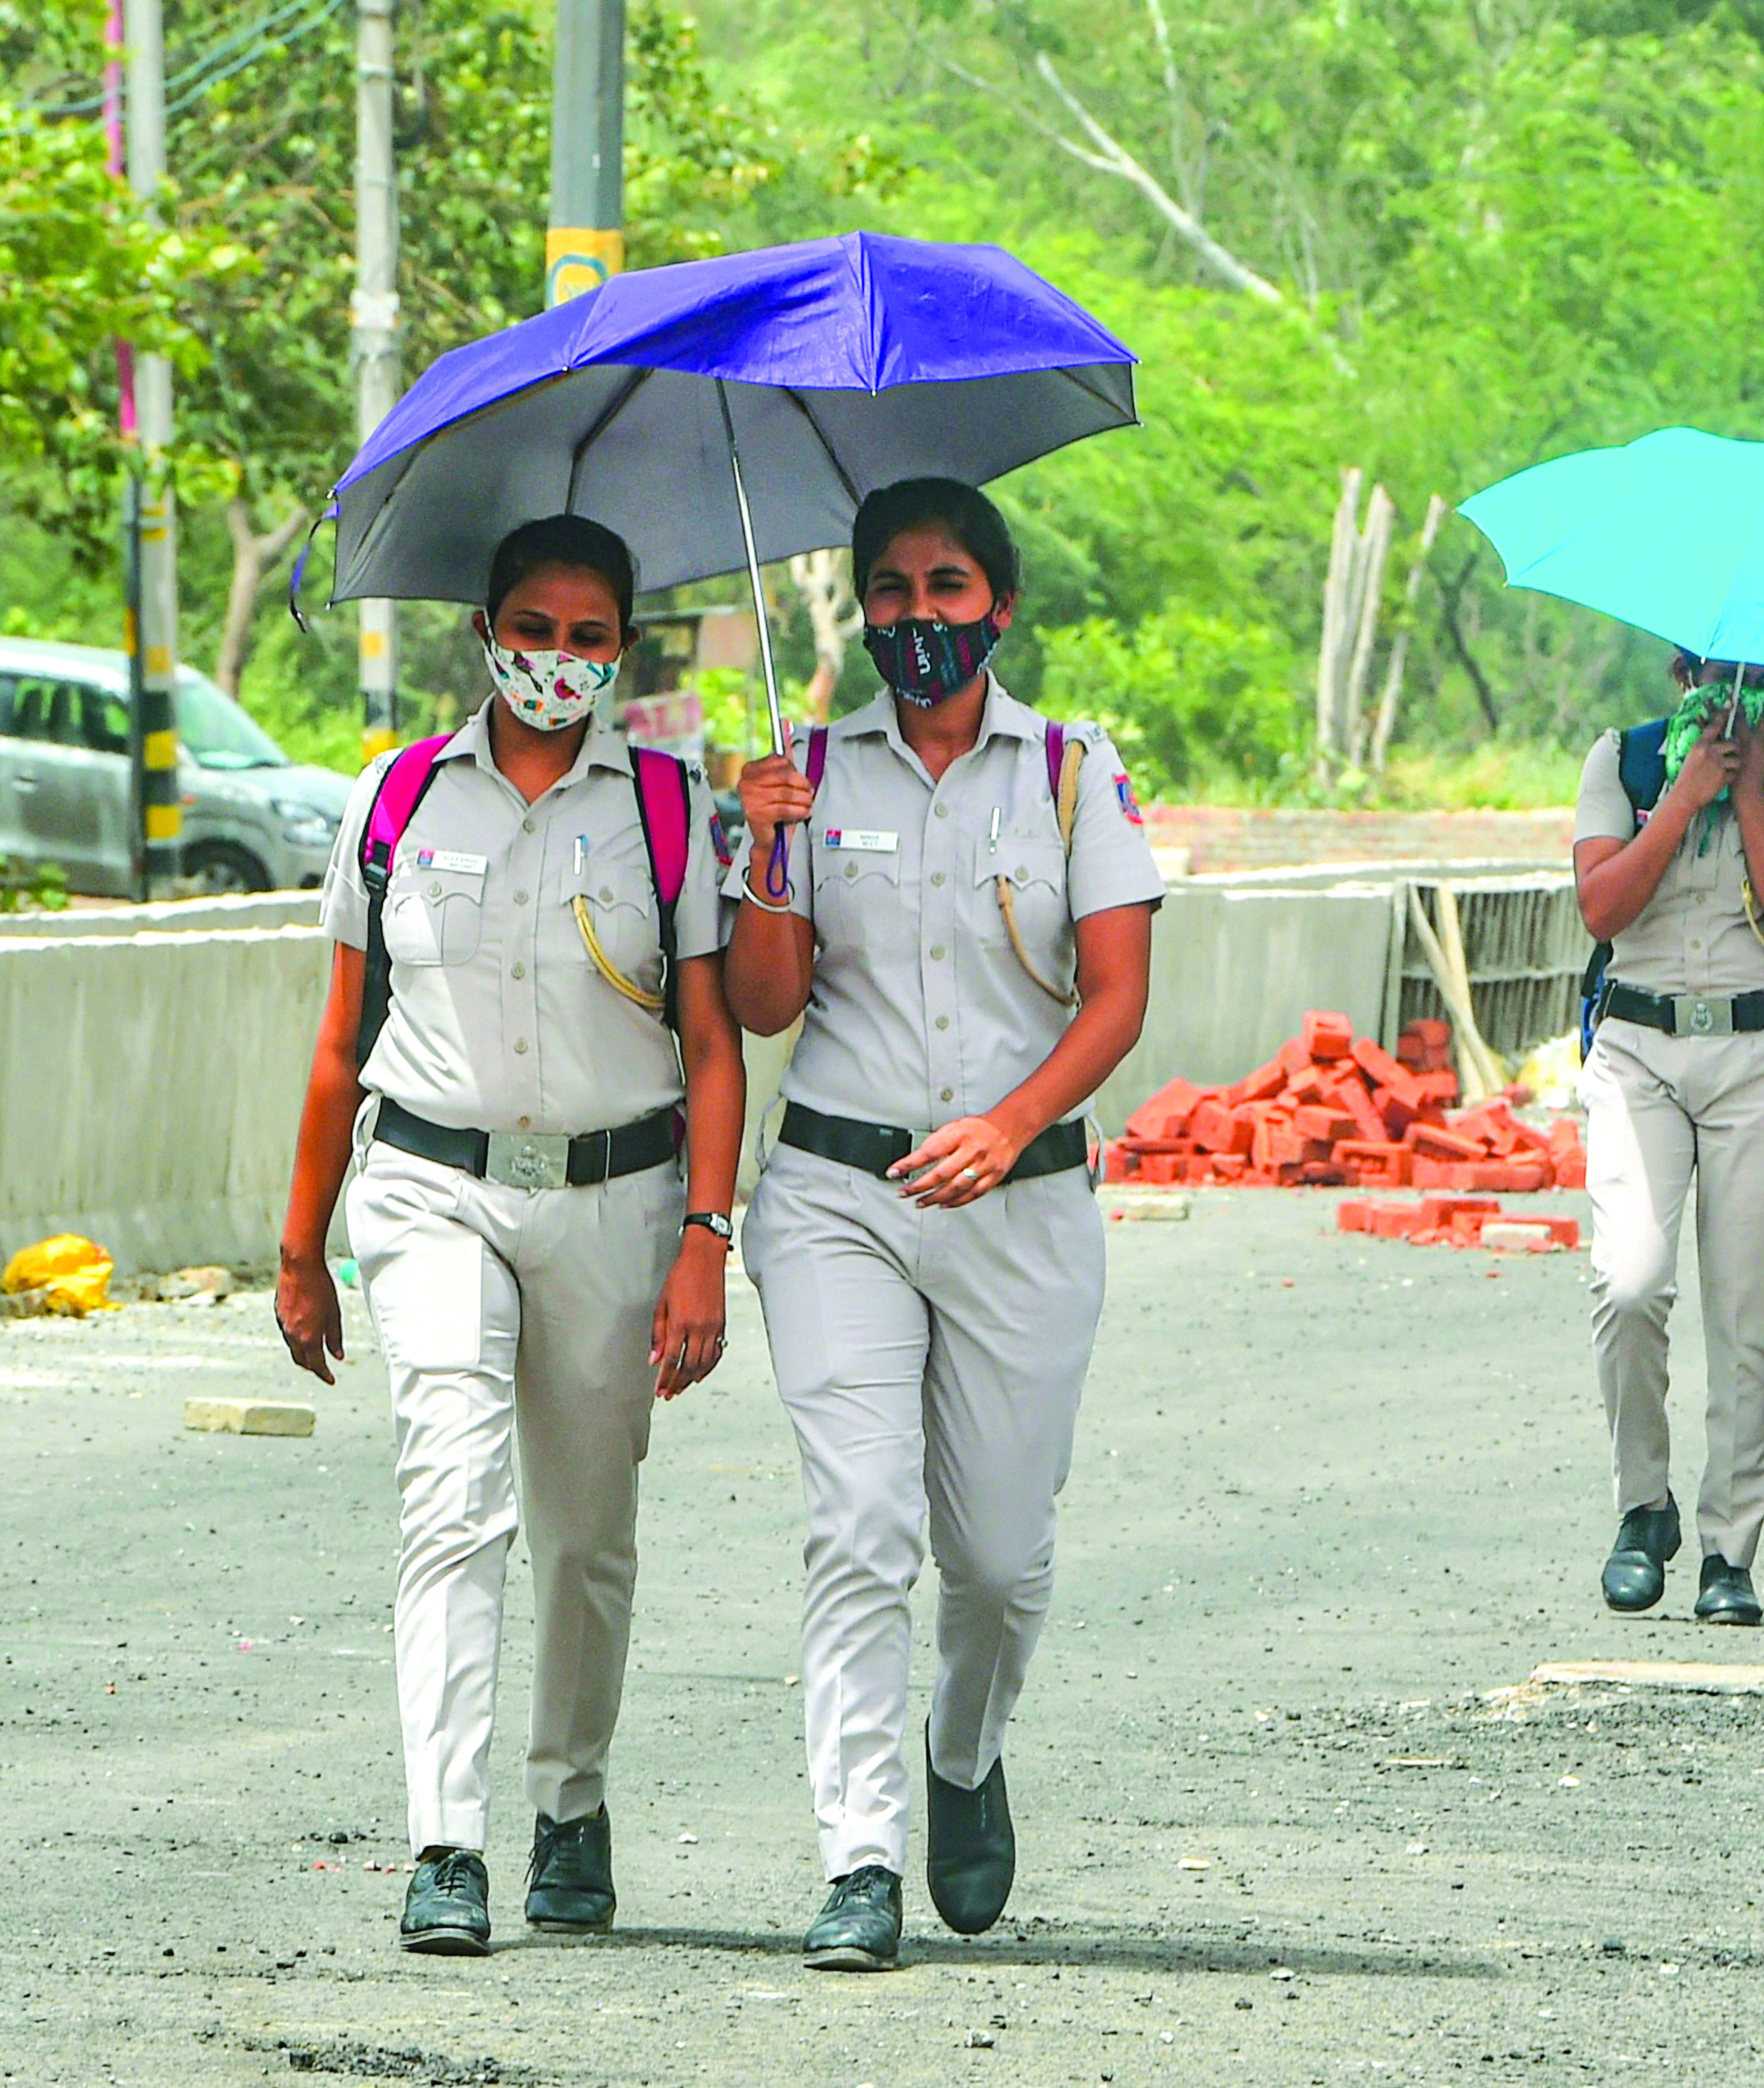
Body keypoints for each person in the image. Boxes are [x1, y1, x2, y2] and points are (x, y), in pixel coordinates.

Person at [272, 514, 742, 1954]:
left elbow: (717, 1046)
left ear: (623, 652)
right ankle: (446, 1843)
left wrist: (705, 1241)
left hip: (617, 1198)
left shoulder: (671, 810)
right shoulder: (400, 797)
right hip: (430, 1193)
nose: (557, 660)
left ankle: (572, 1810)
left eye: (588, 636)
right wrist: (301, 1249)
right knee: (453, 1500)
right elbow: (343, 1037)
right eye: (532, 629)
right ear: (486, 634)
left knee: (586, 1533)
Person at [724, 478, 1165, 1969]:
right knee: (861, 1526)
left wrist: (1012, 1120)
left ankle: (965, 1751)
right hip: (838, 1199)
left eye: (949, 589)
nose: (920, 617)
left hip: (1021, 1208)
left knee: (995, 1565)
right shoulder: (800, 774)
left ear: (1001, 604)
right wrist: (767, 849)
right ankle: (860, 1859)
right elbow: (764, 1004)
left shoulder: (1067, 771)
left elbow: (1118, 995)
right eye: (894, 591)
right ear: (862, 609)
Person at [1573, 654, 1764, 1624]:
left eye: (1751, 675)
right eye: (1712, 671)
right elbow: (1600, 906)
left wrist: (1753, 796)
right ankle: (1644, 1505)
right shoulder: (1624, 761)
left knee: (1745, 1315)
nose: (1729, 691)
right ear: (1680, 670)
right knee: (1631, 1279)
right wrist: (1684, 799)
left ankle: (1732, 1548)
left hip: (1761, 1054)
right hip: (1641, 1045)